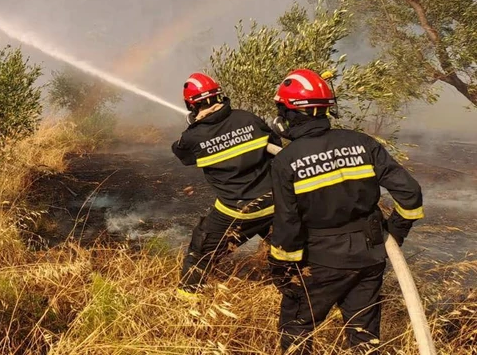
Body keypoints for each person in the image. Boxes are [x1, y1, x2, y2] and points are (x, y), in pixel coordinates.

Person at [268, 68, 424, 354]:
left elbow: (288, 224)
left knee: (297, 329)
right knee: (364, 336)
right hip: (371, 256)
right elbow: (410, 193)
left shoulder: (286, 161)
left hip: (321, 261)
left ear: (288, 113)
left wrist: (280, 265)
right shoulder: (363, 143)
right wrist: (395, 234)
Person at [171, 72, 282, 299]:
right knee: (287, 250)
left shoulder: (194, 136)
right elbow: (276, 145)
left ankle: (186, 301)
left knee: (200, 252)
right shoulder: (247, 118)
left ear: (191, 104)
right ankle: (296, 288)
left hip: (236, 210)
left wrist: (194, 126)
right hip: (274, 202)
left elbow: (183, 154)